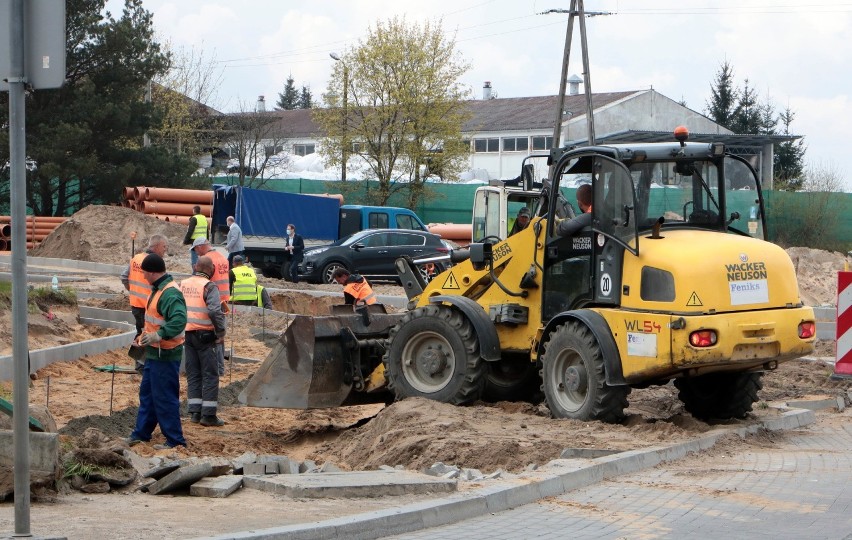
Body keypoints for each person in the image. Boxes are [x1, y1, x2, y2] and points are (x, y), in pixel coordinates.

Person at [125, 253, 188, 450]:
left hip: (166, 355)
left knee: (164, 398)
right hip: (154, 353)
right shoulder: (158, 289)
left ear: (153, 273)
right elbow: (154, 319)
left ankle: (175, 440)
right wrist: (145, 335)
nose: (143, 276)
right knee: (148, 395)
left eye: (144, 273)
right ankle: (141, 433)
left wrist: (159, 335)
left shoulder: (170, 293)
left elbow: (178, 320)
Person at [180, 255, 227, 427]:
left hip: (188, 334)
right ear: (209, 269)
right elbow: (215, 311)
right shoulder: (209, 286)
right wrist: (221, 331)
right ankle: (208, 415)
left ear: (195, 267)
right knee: (210, 375)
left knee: (193, 374)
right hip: (206, 336)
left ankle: (194, 412)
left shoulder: (183, 284)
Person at [120, 234, 168, 372]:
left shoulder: (136, 258)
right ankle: (141, 364)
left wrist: (133, 291)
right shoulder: (155, 262)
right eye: (164, 247)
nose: (165, 250)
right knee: (146, 333)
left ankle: (141, 362)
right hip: (149, 306)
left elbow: (124, 277)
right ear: (157, 246)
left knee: (140, 331)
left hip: (136, 304)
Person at [191, 237, 231, 375]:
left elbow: (198, 280)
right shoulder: (222, 257)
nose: (196, 253)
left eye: (196, 249)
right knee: (220, 335)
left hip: (212, 301)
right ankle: (220, 368)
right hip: (223, 302)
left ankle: (218, 369)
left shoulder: (207, 260)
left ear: (201, 246)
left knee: (215, 337)